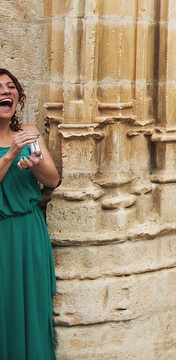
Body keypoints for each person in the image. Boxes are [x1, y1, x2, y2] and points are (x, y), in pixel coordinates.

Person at [0, 68, 60, 360]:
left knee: (32, 307)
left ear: (18, 96)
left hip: (29, 231)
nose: (5, 91)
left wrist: (34, 163)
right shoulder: (14, 144)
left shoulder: (30, 132)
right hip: (2, 234)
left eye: (10, 86)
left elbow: (52, 180)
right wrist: (11, 155)